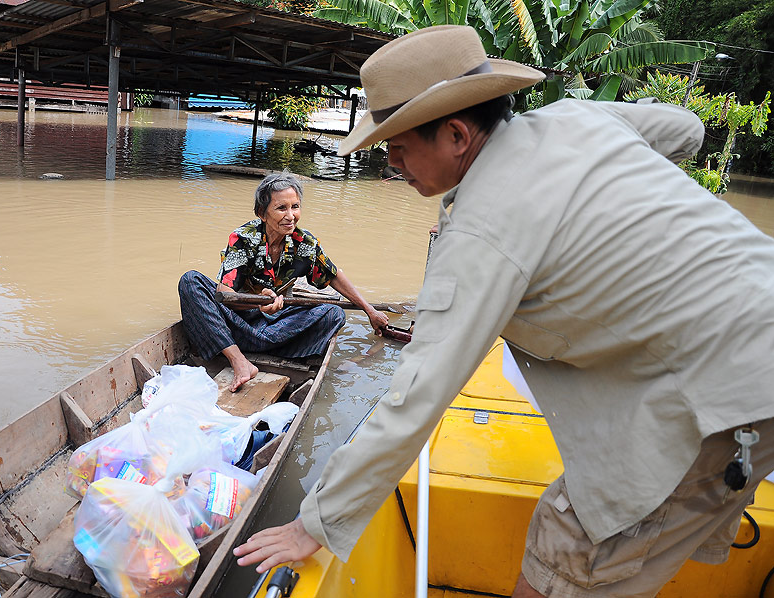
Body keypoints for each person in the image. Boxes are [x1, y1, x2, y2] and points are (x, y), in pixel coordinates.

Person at [233, 25, 774, 597]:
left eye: (397, 147)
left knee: (567, 547)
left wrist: (314, 522)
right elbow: (686, 130)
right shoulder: (573, 119)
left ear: (457, 134)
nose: (391, 163)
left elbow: (416, 396)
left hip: (727, 384)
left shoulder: (477, 235)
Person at [179, 172, 389, 392]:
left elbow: (333, 274)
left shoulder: (304, 243)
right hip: (236, 322)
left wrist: (369, 310)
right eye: (281, 208)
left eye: (295, 207)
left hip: (274, 326)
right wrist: (258, 302)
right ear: (262, 213)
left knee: (334, 314)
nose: (291, 216)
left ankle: (251, 345)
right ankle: (238, 359)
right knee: (190, 281)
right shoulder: (244, 238)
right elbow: (226, 295)